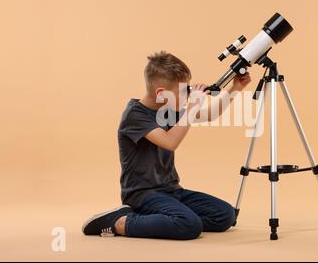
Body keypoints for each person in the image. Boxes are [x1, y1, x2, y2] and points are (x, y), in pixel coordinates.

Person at [82, 51, 251, 239]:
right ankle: (120, 222)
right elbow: (170, 142)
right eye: (183, 91)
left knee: (225, 215)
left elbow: (210, 115)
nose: (187, 96)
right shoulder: (134, 115)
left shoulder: (168, 109)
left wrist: (235, 88)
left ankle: (165, 220)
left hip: (172, 190)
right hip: (143, 195)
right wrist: (193, 106)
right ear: (161, 94)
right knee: (189, 225)